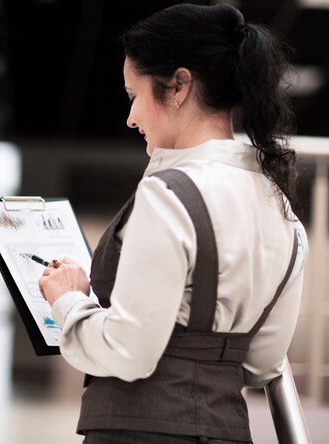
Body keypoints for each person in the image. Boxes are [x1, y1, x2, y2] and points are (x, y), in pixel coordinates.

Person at [38, 4, 308, 443]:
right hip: (228, 430)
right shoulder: (281, 208)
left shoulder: (168, 195)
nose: (130, 117)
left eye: (133, 95)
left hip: (139, 430)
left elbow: (129, 352)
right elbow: (262, 361)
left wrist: (69, 302)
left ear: (179, 86)